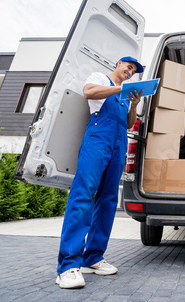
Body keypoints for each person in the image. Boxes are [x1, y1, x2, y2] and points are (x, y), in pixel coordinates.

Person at [55, 56, 144, 289]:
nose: (130, 71)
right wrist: (121, 87)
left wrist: (134, 104)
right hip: (98, 139)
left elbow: (128, 123)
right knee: (83, 194)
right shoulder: (99, 78)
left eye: (134, 71)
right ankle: (67, 265)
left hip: (118, 143)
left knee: (108, 200)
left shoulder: (125, 95)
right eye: (129, 67)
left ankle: (93, 257)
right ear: (118, 64)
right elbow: (88, 92)